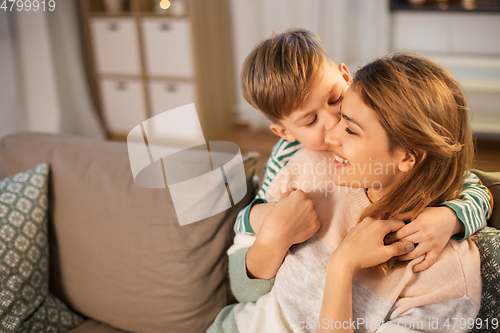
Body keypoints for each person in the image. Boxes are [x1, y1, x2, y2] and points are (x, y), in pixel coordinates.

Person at [209, 53, 481, 333]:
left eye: (349, 127)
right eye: (311, 120)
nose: (330, 136)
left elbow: (458, 176)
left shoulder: (446, 280)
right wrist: (270, 235)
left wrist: (342, 266)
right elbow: (244, 288)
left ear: (407, 156)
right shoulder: (312, 163)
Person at [231, 29, 491, 286]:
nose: (334, 121)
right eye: (311, 121)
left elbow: (470, 187)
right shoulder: (287, 158)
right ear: (285, 133)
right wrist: (271, 218)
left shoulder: (383, 131)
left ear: (347, 77)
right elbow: (246, 220)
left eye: (335, 99)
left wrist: (451, 219)